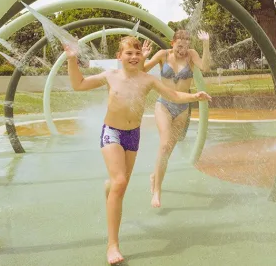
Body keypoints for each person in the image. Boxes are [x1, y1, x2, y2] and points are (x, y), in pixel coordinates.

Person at [64, 36, 211, 265]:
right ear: (119, 56)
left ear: (142, 57)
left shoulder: (147, 80)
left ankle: (109, 185)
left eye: (137, 54)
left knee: (119, 184)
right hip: (112, 132)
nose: (133, 57)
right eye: (128, 53)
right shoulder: (110, 76)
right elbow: (78, 84)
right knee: (121, 182)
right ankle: (112, 245)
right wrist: (71, 60)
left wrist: (194, 96)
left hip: (133, 136)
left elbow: (173, 95)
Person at [142, 29, 211, 208]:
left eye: (187, 45)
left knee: (168, 150)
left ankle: (154, 175)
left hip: (183, 107)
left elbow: (205, 67)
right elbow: (140, 71)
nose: (183, 49)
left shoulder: (191, 55)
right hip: (164, 104)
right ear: (172, 43)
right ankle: (157, 191)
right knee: (164, 144)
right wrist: (143, 57)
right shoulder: (162, 55)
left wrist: (205, 44)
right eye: (180, 45)